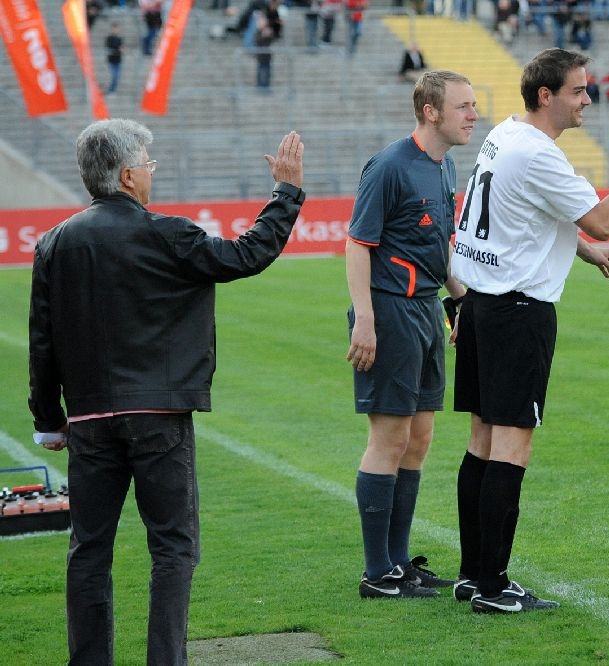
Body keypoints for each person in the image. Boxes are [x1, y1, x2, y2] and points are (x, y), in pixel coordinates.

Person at [28, 119, 305, 664]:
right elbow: (247, 255)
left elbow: (43, 339)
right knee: (173, 549)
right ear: (127, 176)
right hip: (159, 414)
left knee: (89, 549)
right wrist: (286, 193)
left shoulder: (54, 242)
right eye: (148, 165)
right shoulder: (168, 233)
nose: (152, 173)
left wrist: (47, 418)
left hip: (89, 419)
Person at [449, 47, 609, 614]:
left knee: (481, 441)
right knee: (511, 447)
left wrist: (584, 251)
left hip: (479, 304)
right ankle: (494, 588)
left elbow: (524, 214)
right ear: (546, 96)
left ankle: (473, 575)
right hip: (517, 311)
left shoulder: (505, 133)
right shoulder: (539, 154)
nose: (587, 99)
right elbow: (604, 220)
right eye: (578, 90)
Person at [346, 70, 478, 600]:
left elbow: (439, 243)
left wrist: (460, 298)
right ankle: (377, 571)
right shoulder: (389, 166)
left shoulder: (446, 165)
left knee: (419, 438)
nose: (473, 115)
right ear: (430, 111)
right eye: (463, 106)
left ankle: (399, 562)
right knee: (390, 438)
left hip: (426, 309)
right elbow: (358, 244)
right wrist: (366, 319)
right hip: (389, 310)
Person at [105, 22, 124, 94]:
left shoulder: (119, 39)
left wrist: (120, 50)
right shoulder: (109, 38)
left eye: (117, 29)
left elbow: (121, 48)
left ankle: (113, 89)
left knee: (117, 76)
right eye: (114, 29)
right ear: (112, 29)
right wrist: (117, 50)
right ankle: (111, 90)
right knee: (114, 75)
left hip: (118, 60)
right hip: (112, 60)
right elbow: (109, 48)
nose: (116, 30)